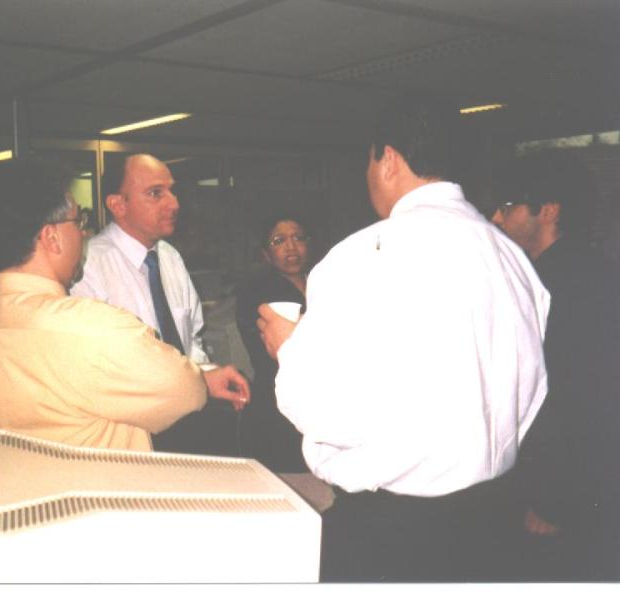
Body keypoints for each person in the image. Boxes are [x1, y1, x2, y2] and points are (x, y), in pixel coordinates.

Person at [257, 98, 551, 582]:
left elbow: (326, 412)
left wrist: (289, 348)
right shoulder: (512, 257)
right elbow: (530, 387)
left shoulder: (359, 257)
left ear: (388, 159)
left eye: (369, 162)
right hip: (495, 517)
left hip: (396, 532)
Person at [0, 157, 248, 451]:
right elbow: (183, 388)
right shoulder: (92, 324)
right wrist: (200, 379)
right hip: (114, 472)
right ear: (52, 238)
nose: (84, 233)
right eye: (79, 222)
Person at [491, 151, 620, 580]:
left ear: (548, 211)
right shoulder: (588, 270)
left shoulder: (560, 285)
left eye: (508, 206)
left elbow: (574, 399)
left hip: (560, 492)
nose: (496, 217)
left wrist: (551, 502)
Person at [70, 154, 248, 455]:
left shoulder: (170, 257)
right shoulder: (89, 267)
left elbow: (191, 341)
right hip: (130, 435)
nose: (174, 204)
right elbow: (100, 371)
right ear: (118, 205)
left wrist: (206, 374)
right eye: (156, 193)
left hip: (189, 418)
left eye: (171, 191)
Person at [235, 213, 311, 472]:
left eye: (298, 238)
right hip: (276, 398)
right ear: (266, 253)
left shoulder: (323, 282)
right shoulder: (254, 291)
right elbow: (263, 352)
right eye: (279, 240)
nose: (291, 247)